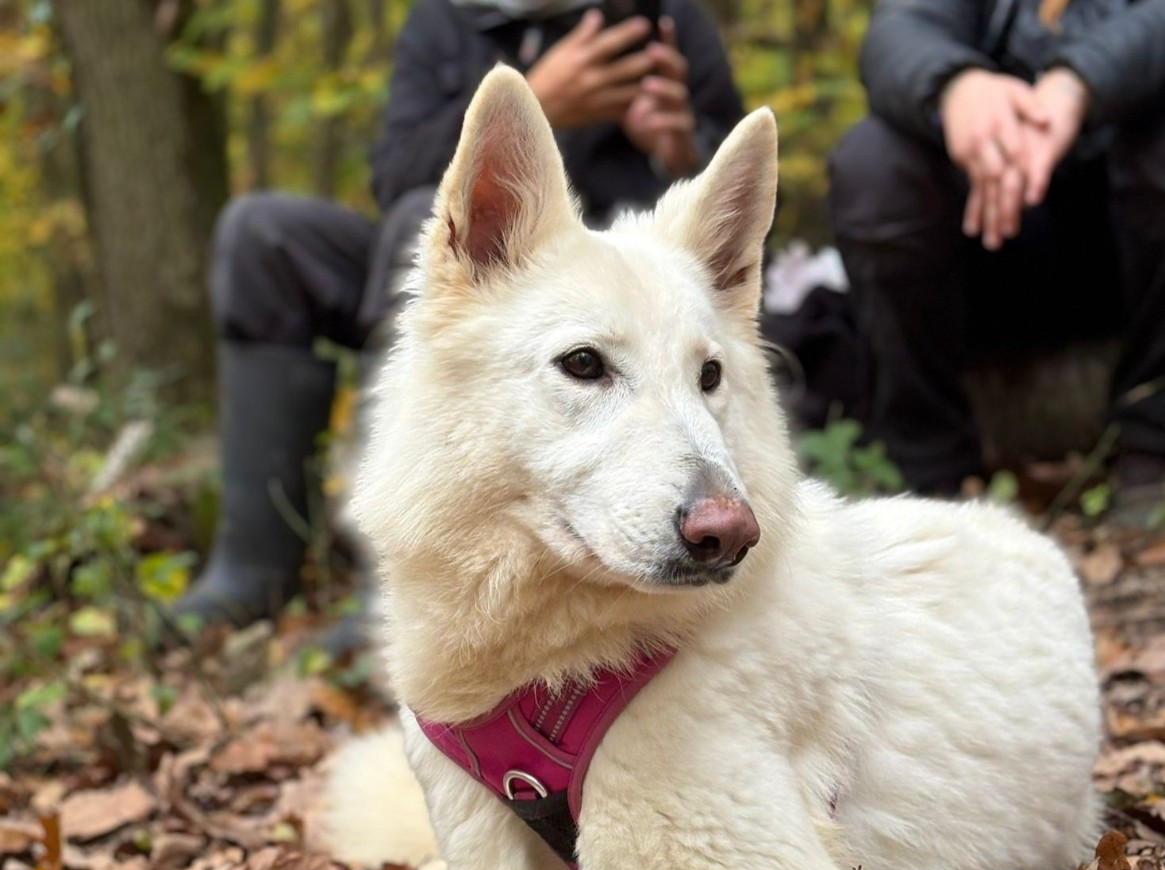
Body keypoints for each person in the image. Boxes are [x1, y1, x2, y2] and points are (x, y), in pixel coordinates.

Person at [177, 0, 744, 627]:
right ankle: (251, 567)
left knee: (411, 230)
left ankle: (387, 590)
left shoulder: (667, 16)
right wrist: (547, 99)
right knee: (265, 236)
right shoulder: (445, 19)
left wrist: (679, 149)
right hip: (486, 263)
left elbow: (727, 197)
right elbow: (396, 175)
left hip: (613, 281)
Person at [827, 0, 1165, 502]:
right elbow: (898, 29)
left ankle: (1152, 446)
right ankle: (929, 472)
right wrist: (956, 86)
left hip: (1128, 249)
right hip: (981, 248)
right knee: (872, 160)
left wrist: (1078, 82)